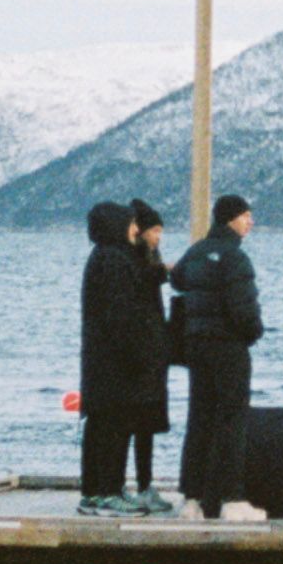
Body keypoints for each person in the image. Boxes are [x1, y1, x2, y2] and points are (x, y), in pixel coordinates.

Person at [169, 194, 267, 522]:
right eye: (245, 216)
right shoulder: (236, 259)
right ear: (230, 219)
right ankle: (232, 498)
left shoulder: (196, 251)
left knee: (199, 420)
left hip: (197, 347)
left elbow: (177, 278)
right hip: (228, 348)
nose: (250, 222)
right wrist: (253, 333)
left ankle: (193, 499)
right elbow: (244, 310)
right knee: (232, 420)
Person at [78, 202, 164, 514]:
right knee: (113, 427)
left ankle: (94, 490)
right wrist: (139, 353)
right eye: (130, 224)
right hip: (115, 363)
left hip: (102, 362)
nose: (135, 230)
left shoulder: (101, 257)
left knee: (100, 427)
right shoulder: (114, 261)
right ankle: (108, 490)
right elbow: (121, 317)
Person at [127, 198, 174, 511]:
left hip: (152, 354)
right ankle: (139, 485)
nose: (158, 237)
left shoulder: (147, 263)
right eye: (154, 230)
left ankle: (145, 483)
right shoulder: (134, 264)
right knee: (138, 423)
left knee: (146, 426)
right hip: (140, 357)